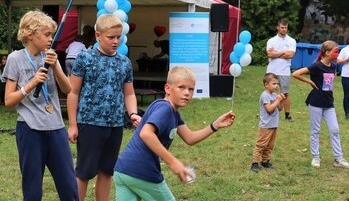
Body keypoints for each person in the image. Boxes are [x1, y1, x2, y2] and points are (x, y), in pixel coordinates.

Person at [113, 66, 235, 200]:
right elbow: (146, 134)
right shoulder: (164, 108)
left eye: (191, 89)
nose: (187, 93)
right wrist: (173, 162)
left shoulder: (173, 113)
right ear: (167, 88)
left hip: (123, 170)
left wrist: (215, 125)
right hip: (141, 170)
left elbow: (190, 138)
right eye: (181, 87)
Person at [1, 10, 78, 200]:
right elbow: (8, 100)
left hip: (57, 127)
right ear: (29, 33)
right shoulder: (15, 58)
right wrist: (31, 84)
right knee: (33, 187)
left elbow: (68, 89)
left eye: (52, 34)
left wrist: (55, 67)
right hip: (30, 129)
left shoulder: (51, 56)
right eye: (46, 34)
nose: (51, 39)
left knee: (69, 186)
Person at [67, 14, 141, 201]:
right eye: (111, 37)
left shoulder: (124, 62)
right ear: (98, 35)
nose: (116, 41)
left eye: (119, 37)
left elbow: (129, 93)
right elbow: (73, 92)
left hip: (115, 125)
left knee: (107, 171)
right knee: (84, 172)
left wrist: (132, 113)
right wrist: (73, 124)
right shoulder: (84, 58)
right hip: (89, 123)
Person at [292, 40, 349, 169]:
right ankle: (315, 157)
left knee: (335, 130)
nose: (337, 54)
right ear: (327, 52)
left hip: (328, 102)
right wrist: (309, 82)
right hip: (316, 102)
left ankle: (338, 159)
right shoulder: (316, 66)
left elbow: (330, 84)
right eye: (335, 51)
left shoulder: (333, 66)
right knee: (315, 130)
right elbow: (295, 73)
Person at [251, 73, 286, 173]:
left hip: (274, 125)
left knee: (270, 145)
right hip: (266, 125)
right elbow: (269, 109)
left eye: (277, 84)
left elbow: (279, 109)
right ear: (266, 85)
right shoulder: (265, 95)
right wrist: (277, 100)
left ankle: (265, 161)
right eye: (274, 84)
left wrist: (282, 100)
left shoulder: (274, 95)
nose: (276, 86)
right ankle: (255, 163)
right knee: (261, 144)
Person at [266, 18, 296, 122]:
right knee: (270, 91)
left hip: (284, 71)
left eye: (286, 28)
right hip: (272, 70)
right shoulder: (271, 41)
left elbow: (291, 55)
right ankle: (269, 111)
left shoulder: (291, 41)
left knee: (285, 93)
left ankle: (287, 114)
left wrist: (276, 53)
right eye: (282, 27)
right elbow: (270, 54)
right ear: (278, 27)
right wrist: (283, 52)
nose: (284, 29)